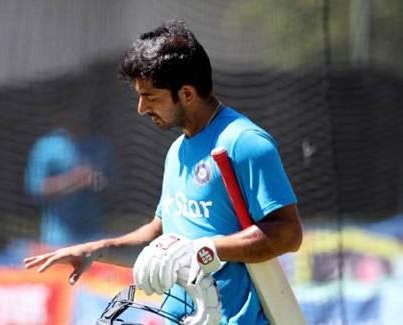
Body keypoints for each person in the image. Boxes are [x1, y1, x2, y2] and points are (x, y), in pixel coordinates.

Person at [24, 20, 302, 324]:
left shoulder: (244, 142)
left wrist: (204, 251)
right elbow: (161, 235)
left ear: (186, 93)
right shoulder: (177, 151)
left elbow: (288, 234)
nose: (141, 108)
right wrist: (98, 249)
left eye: (151, 97)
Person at [25, 107, 112, 247]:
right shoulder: (46, 146)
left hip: (93, 236)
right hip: (57, 239)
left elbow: (112, 186)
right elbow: (36, 189)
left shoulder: (98, 145)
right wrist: (73, 180)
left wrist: (94, 180)